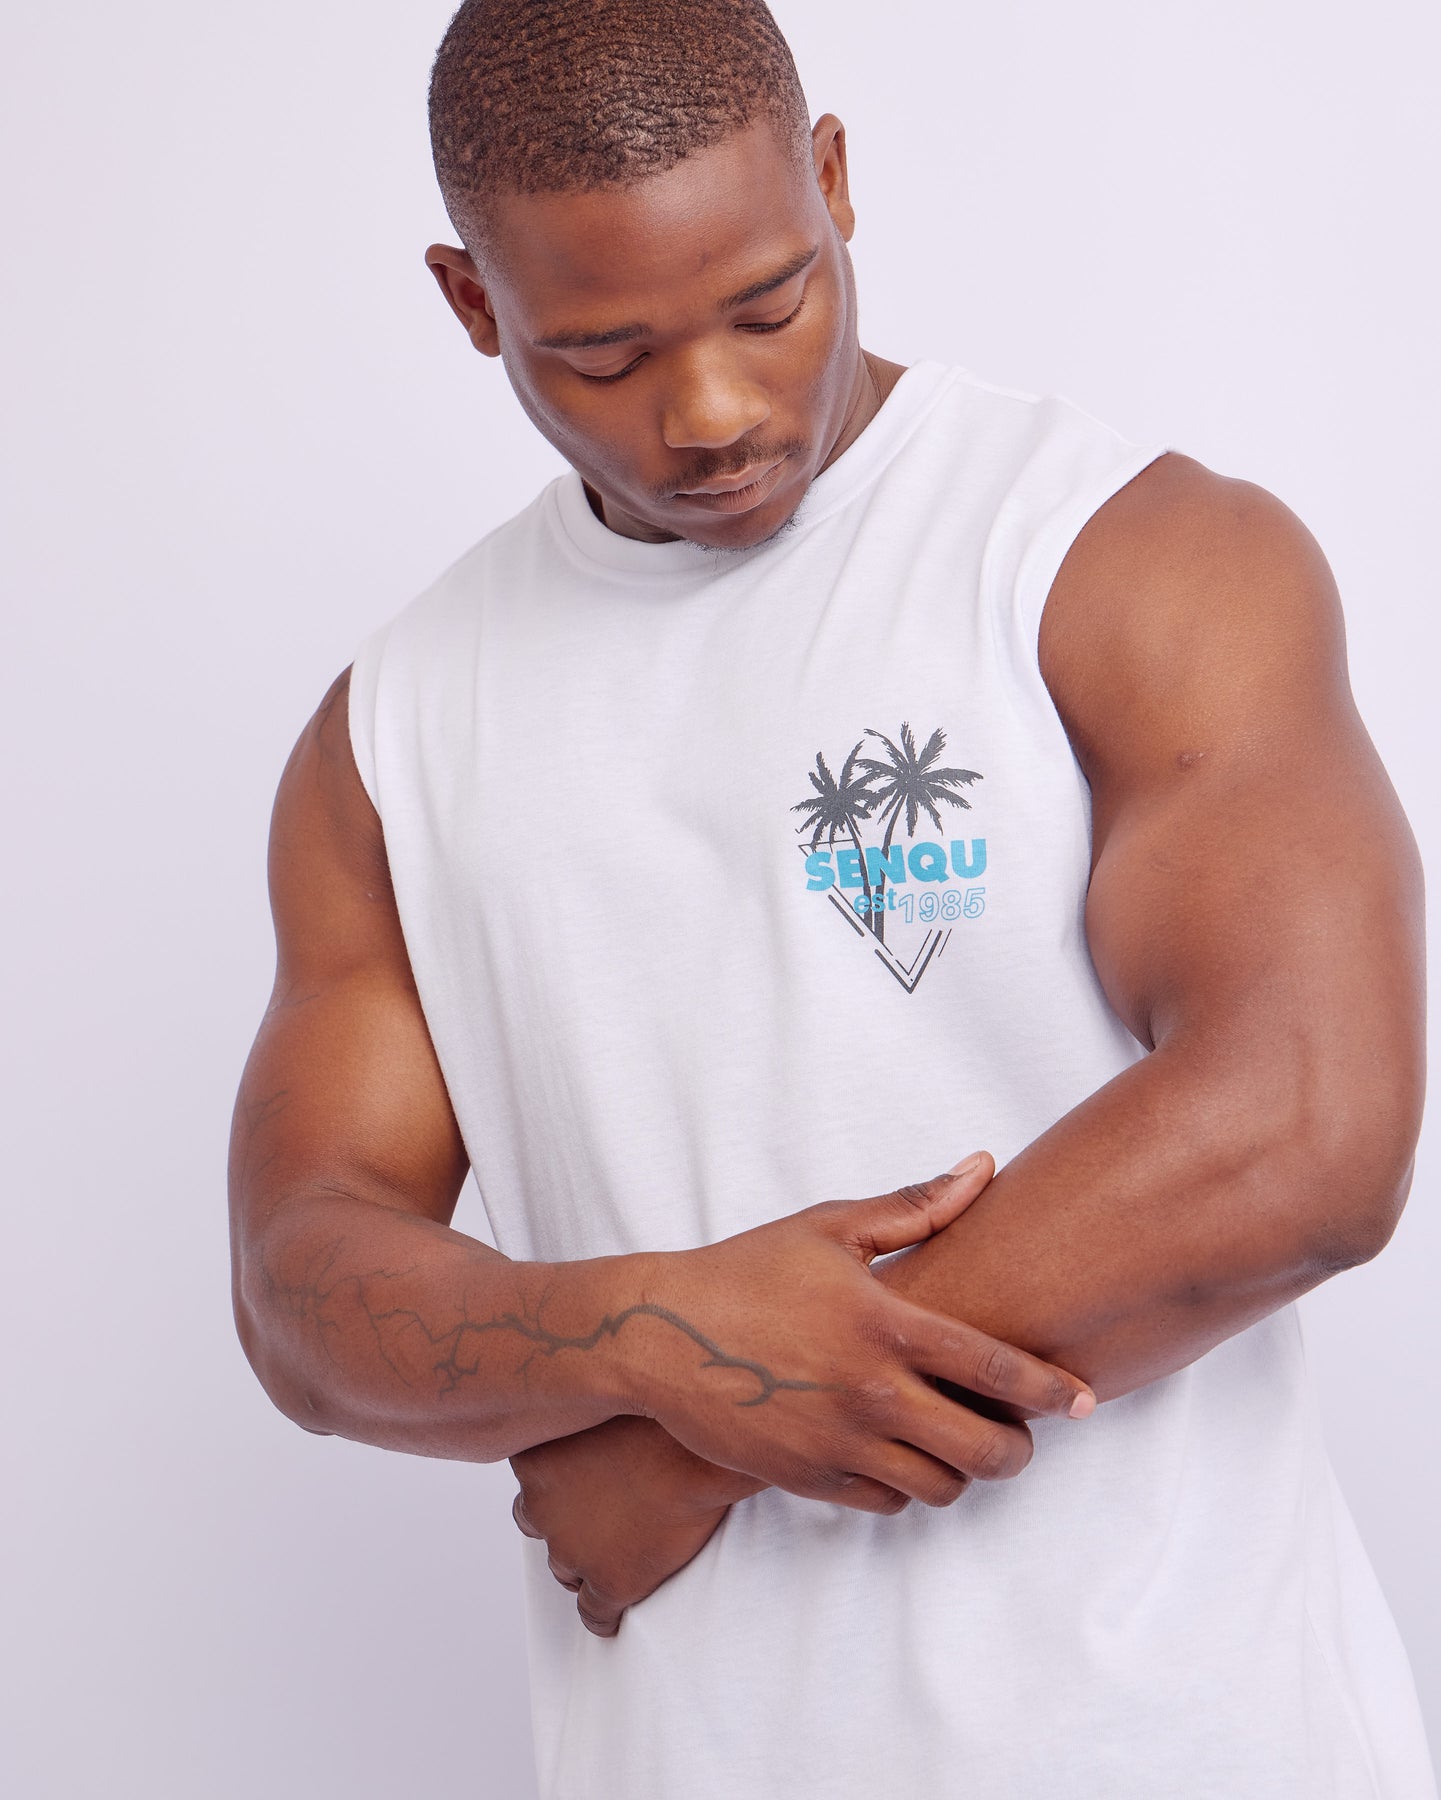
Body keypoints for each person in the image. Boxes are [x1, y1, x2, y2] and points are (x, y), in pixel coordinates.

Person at [227, 2, 1434, 1794]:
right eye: (604, 354)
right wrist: (658, 1344)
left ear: (835, 182)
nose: (711, 412)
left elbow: (1305, 1129)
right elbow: (302, 1288)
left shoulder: (1119, 556)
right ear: (473, 304)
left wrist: (696, 1434)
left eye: (769, 304)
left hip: (1174, 1745)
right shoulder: (393, 733)